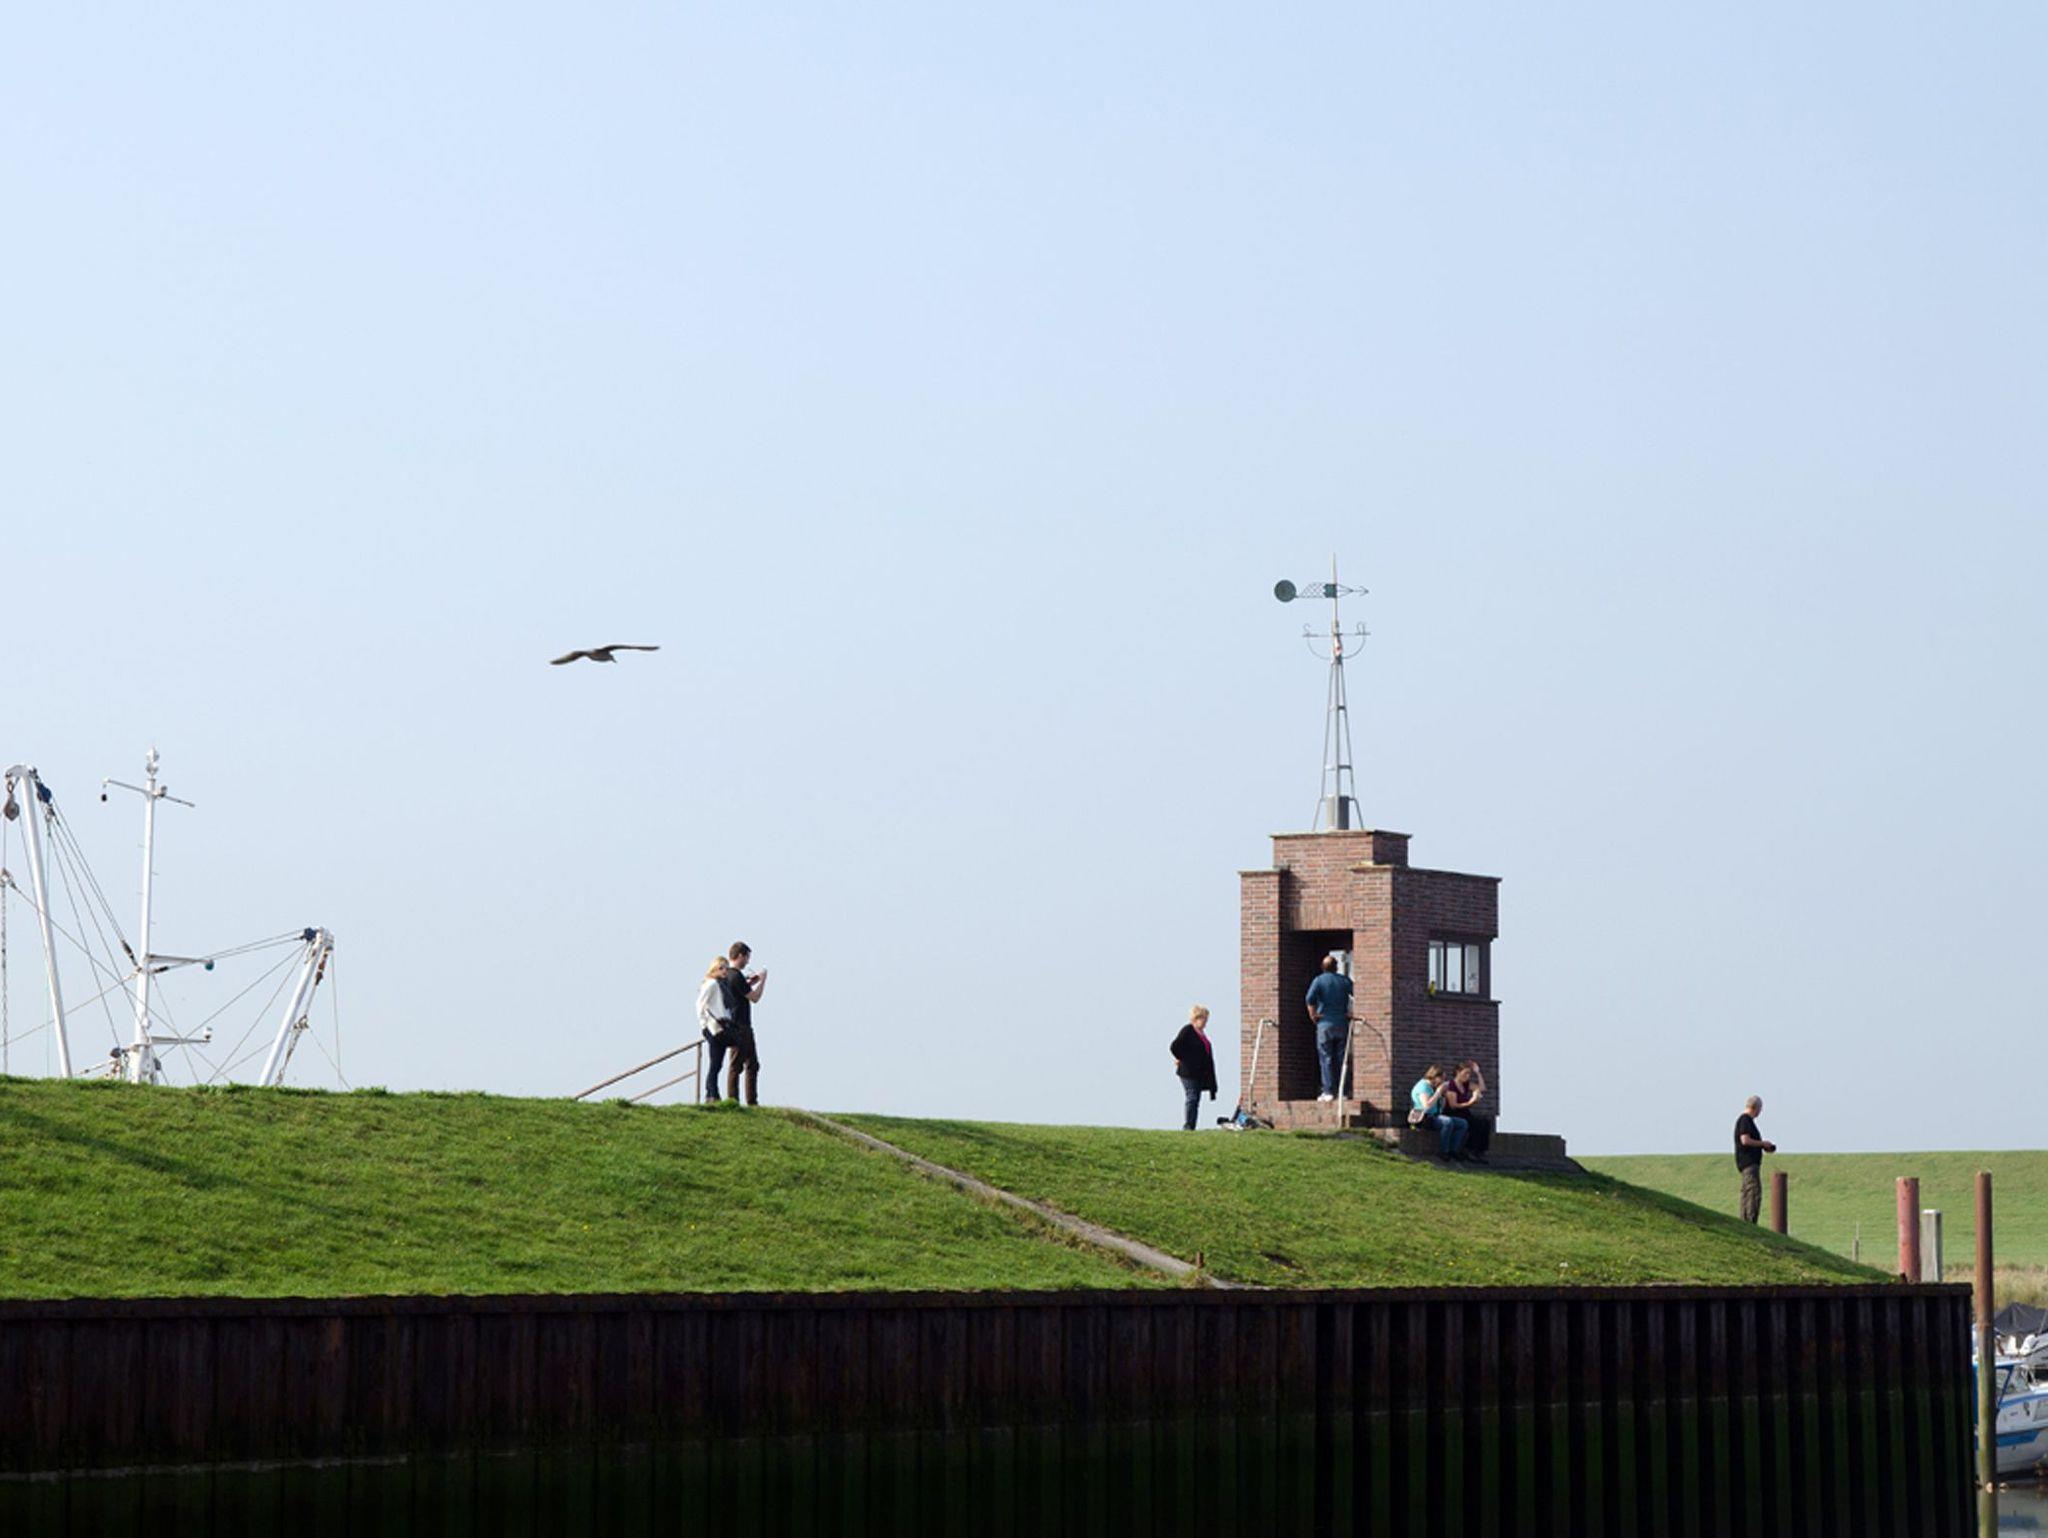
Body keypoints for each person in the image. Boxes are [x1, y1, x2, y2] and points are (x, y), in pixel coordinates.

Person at [719, 941, 768, 1105]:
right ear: (740, 956)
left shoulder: (727, 975)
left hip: (733, 1024)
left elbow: (740, 990)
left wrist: (751, 983)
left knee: (749, 1064)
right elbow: (755, 997)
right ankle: (742, 1100)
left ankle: (742, 1100)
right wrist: (763, 981)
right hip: (741, 1025)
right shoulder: (737, 975)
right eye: (747, 958)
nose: (747, 962)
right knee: (741, 1065)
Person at [1304, 956, 1354, 1104]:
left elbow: (1310, 999)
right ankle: (1343, 1092)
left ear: (1322, 967)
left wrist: (1313, 1015)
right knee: (1342, 1058)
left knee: (1326, 1058)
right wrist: (1351, 1013)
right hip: (1341, 1023)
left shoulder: (1319, 981)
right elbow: (1359, 994)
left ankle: (1328, 1091)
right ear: (1336, 967)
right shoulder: (1344, 981)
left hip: (1324, 1024)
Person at [1169, 1006, 1218, 1132]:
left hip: (1199, 1073)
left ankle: (1192, 1125)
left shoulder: (1202, 1035)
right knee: (1192, 1097)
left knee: (1195, 1098)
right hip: (1188, 1071)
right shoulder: (1188, 1030)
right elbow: (1175, 1046)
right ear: (1196, 1018)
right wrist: (1182, 1058)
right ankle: (1188, 1126)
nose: (1206, 1022)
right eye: (1204, 1019)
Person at [1410, 1064, 1470, 1159]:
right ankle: (1444, 1151)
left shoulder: (1432, 1087)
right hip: (1425, 1118)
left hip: (1435, 1116)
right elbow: (1426, 1106)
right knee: (1447, 1122)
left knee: (1462, 1123)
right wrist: (1438, 1092)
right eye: (1442, 1078)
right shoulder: (1423, 1087)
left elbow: (1440, 1106)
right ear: (1435, 1076)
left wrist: (1444, 1095)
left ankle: (1453, 1150)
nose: (1442, 1081)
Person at [1734, 1095, 1776, 1223]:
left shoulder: (1744, 1120)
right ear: (1755, 1107)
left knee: (1747, 1192)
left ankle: (1744, 1221)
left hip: (1746, 1163)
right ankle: (1750, 1221)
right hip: (1749, 1163)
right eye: (1760, 1109)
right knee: (1753, 1192)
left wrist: (1762, 1146)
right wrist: (1762, 1144)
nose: (1760, 1112)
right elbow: (1745, 1140)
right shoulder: (1745, 1120)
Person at [696, 957, 732, 1101]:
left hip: (722, 1026)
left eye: (726, 968)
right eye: (721, 968)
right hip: (713, 1027)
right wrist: (704, 1025)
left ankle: (712, 1093)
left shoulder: (722, 985)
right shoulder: (712, 984)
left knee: (718, 1062)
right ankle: (711, 1093)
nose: (724, 971)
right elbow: (700, 1004)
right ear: (714, 969)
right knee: (715, 1062)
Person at [1446, 1060, 1493, 1161]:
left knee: (1485, 1122)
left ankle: (1480, 1151)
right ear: (1458, 1072)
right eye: (1465, 1073)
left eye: (1469, 1074)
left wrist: (1478, 1073)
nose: (1467, 1076)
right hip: (1455, 1113)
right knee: (1476, 1124)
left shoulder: (1466, 1085)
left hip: (1465, 1113)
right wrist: (1470, 1102)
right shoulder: (1451, 1085)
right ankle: (1468, 1149)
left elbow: (1482, 1088)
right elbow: (1453, 1105)